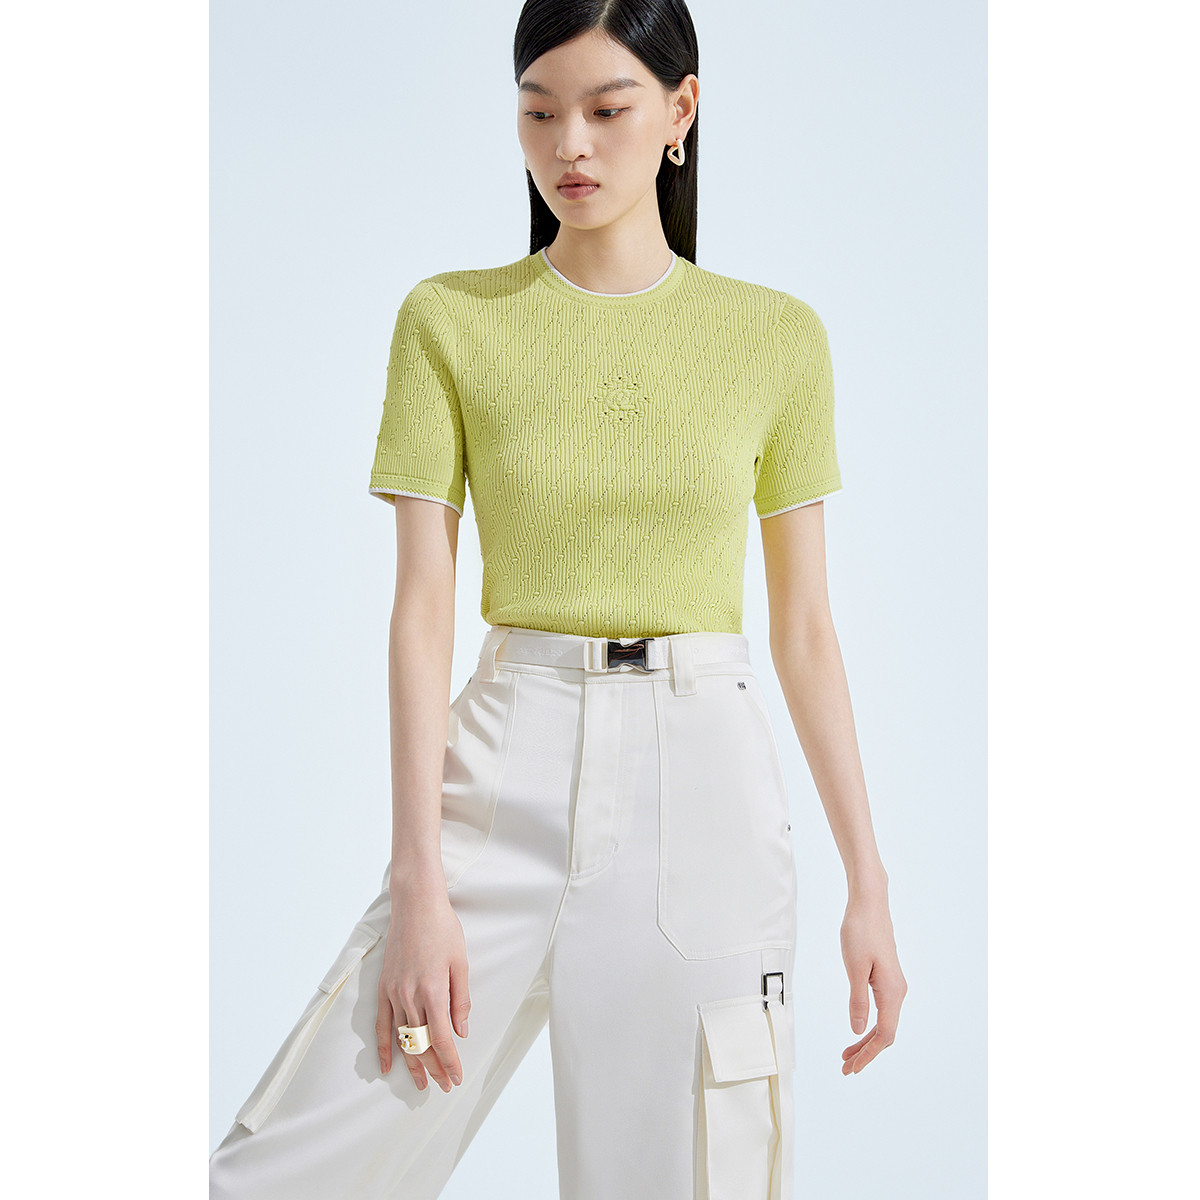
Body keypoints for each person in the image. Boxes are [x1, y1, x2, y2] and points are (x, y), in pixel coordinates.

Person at [210, 1, 908, 1196]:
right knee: (281, 1173)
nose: (568, 146)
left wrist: (870, 885)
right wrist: (418, 879)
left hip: (706, 798)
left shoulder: (777, 339)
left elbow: (804, 631)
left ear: (681, 111)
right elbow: (421, 611)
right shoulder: (450, 320)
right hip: (504, 767)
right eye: (538, 114)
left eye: (605, 109)